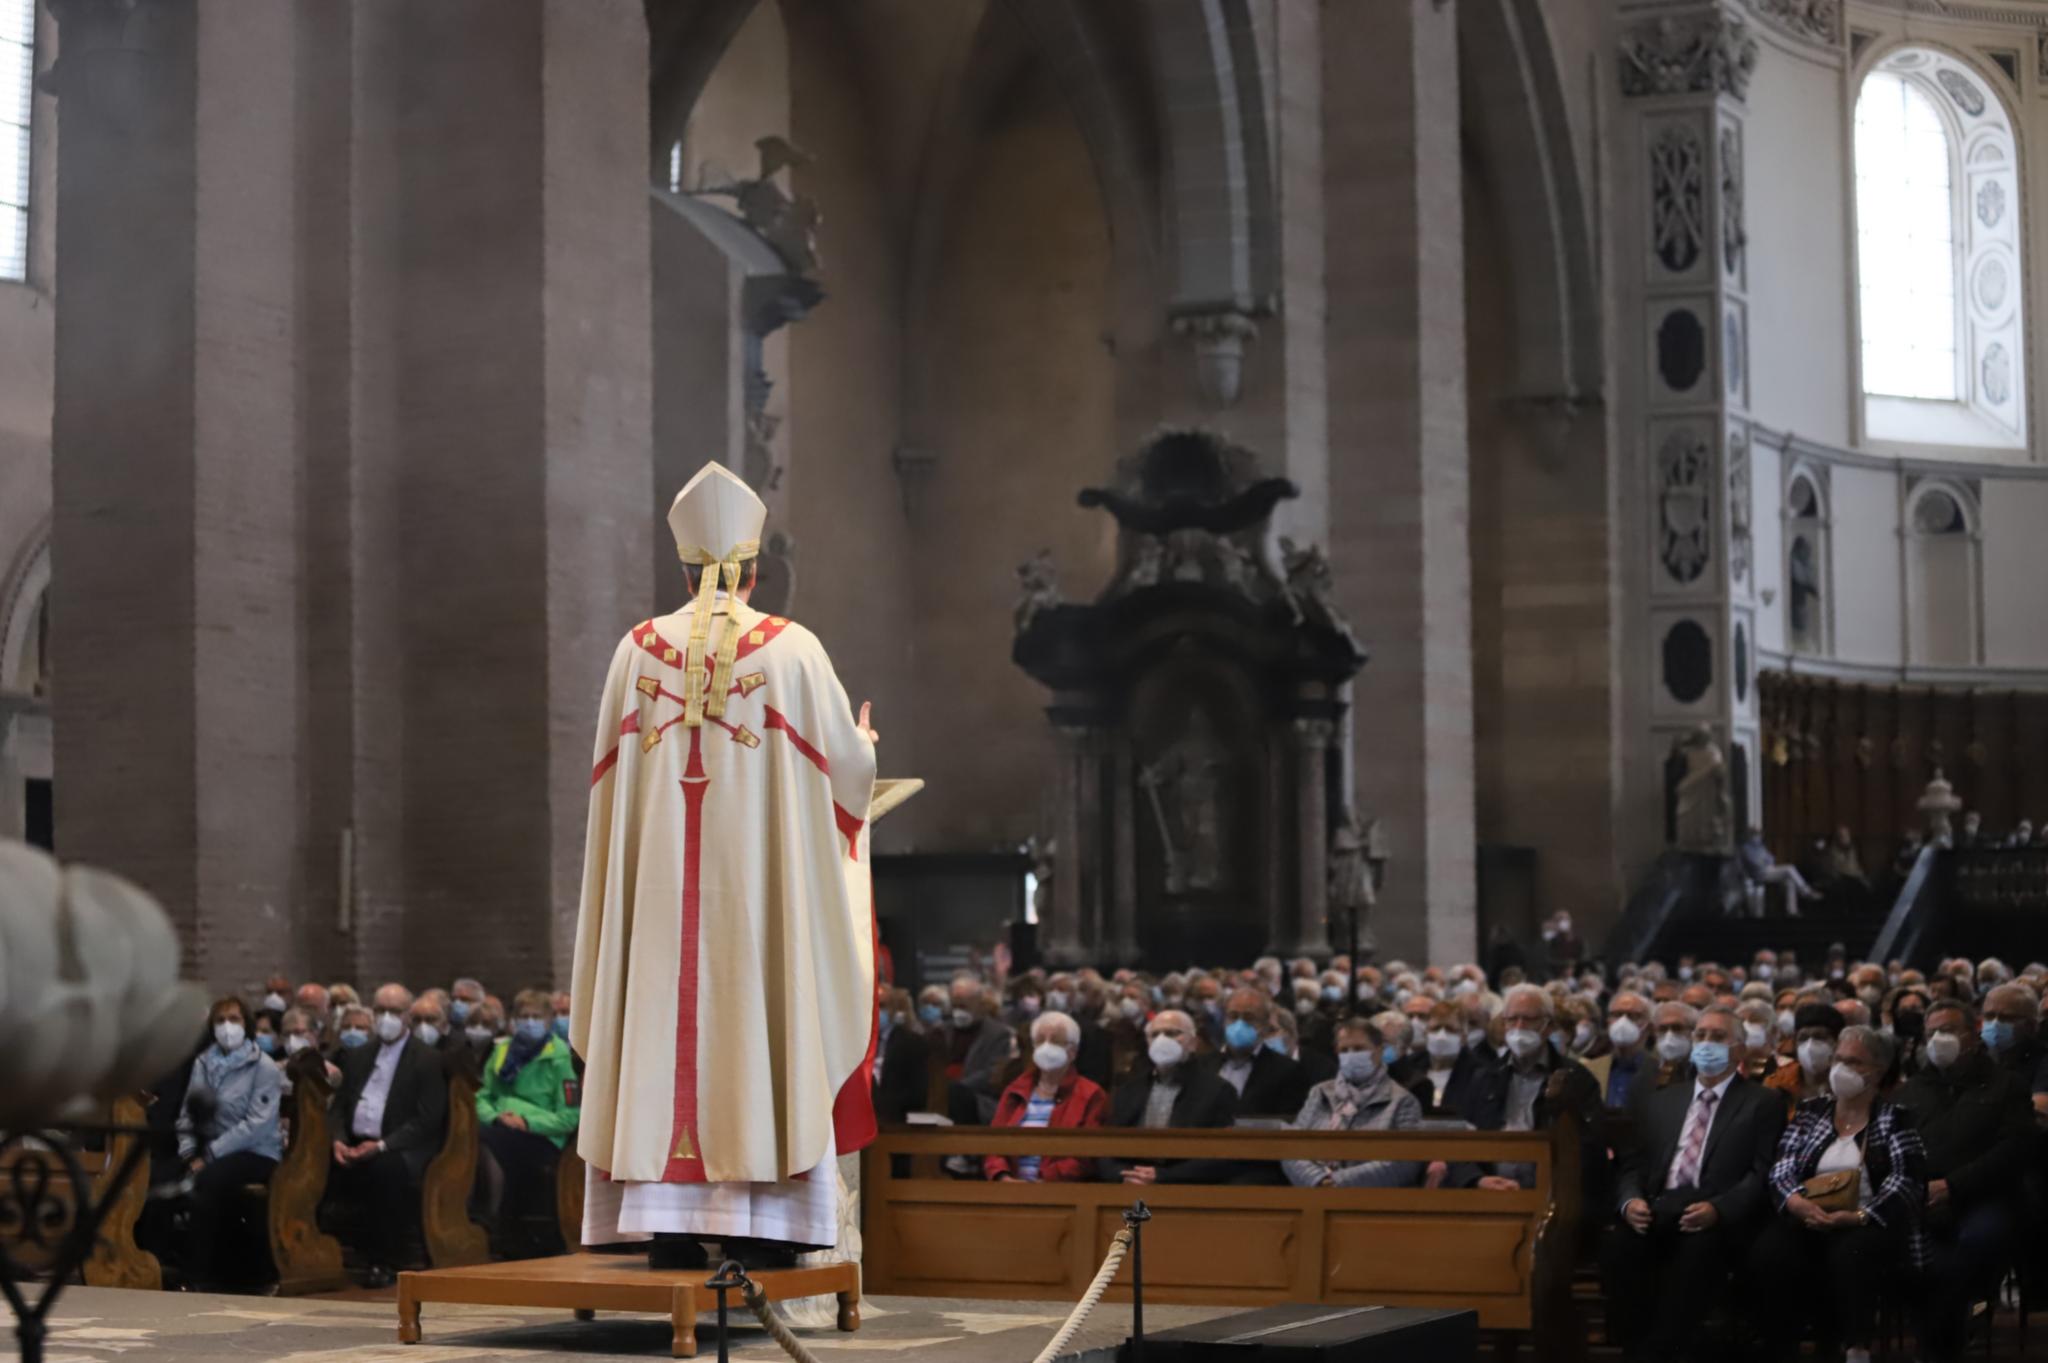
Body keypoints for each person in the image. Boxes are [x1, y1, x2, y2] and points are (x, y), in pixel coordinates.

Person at [570, 462, 882, 1272]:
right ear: (751, 568)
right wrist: (866, 748)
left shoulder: (634, 652)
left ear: (683, 566)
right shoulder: (795, 650)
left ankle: (667, 1224)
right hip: (755, 907)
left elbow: (607, 808)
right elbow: (848, 779)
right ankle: (761, 1224)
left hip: (659, 908)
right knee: (760, 1012)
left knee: (660, 1009)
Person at [1602, 1006, 1785, 1363]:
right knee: (1617, 1248)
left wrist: (1718, 1209)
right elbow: (1634, 1164)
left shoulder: (1762, 1102)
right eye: (1700, 1036)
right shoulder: (1662, 1101)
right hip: (1658, 1207)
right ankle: (1636, 1348)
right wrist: (1630, 1202)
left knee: (1696, 1259)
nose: (1705, 1044)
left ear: (1739, 1050)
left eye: (1717, 1037)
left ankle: (1659, 1353)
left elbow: (1762, 1173)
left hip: (1713, 1214)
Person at [1748, 1025, 1926, 1363]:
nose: (1842, 1069)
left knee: (1851, 1254)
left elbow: (1906, 1181)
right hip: (1808, 1215)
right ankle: (1780, 1347)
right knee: (1769, 1253)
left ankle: (1854, 1348)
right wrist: (1795, 1202)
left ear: (1877, 1071)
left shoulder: (1896, 1119)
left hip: (1868, 1221)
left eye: (1854, 1062)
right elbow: (1782, 1166)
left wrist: (1860, 1216)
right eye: (1839, 1060)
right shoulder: (1811, 1112)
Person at [1896, 999, 2034, 1363]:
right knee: (1909, 1252)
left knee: (1974, 1244)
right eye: (1931, 1033)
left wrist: (1953, 1185)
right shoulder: (1911, 1091)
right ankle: (1940, 1343)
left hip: (1983, 1198)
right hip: (1923, 1199)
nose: (1939, 1039)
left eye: (1948, 1030)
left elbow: (2014, 1149)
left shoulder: (2006, 1085)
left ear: (1973, 1034)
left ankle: (1945, 1342)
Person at [325, 983, 450, 1287]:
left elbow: (428, 1120)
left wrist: (381, 1145)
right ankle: (317, 1257)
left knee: (383, 1171)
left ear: (407, 1016)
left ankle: (385, 1260)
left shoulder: (427, 1059)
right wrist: (338, 1140)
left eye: (394, 1012)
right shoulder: (358, 1056)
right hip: (357, 1143)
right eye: (380, 1011)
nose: (386, 1018)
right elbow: (339, 1108)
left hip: (402, 1147)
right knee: (313, 1165)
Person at [176, 995, 285, 1291]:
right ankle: (196, 1266)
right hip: (209, 1150)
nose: (227, 1027)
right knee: (164, 1174)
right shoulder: (204, 1062)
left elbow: (257, 1124)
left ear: (246, 1025)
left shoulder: (263, 1066)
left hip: (256, 1151)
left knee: (209, 1181)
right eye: (220, 1020)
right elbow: (189, 1111)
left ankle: (198, 1275)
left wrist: (209, 1154)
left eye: (234, 1020)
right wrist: (188, 1151)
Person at [1452, 985, 1603, 1195]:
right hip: (1489, 1192)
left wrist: (1554, 1186)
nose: (1519, 1027)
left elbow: (1589, 1147)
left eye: (1528, 1019)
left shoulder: (1575, 1079)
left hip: (1551, 1194)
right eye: (1512, 1020)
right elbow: (1461, 1142)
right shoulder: (1484, 1077)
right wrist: (1477, 1179)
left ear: (1548, 1026)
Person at [474, 989, 581, 1257]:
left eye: (536, 1016)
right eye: (523, 1016)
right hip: (501, 1126)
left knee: (490, 1142)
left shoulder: (560, 1059)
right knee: (482, 1137)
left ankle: (493, 1219)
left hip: (543, 1137)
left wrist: (526, 1121)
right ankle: (497, 1223)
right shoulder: (501, 1052)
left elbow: (568, 1116)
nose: (529, 1022)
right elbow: (483, 1097)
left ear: (547, 1021)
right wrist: (496, 1115)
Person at [1097, 1010, 1237, 1186]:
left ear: (1193, 1043)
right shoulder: (1129, 1090)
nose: (1161, 1040)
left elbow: (1220, 1156)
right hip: (1130, 1184)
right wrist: (1122, 1175)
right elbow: (1107, 1148)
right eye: (1154, 1034)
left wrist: (1163, 1176)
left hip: (1186, 1188)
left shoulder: (1218, 1091)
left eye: (1172, 1033)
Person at [1282, 1019, 1423, 1189]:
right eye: (1344, 1050)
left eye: (1359, 1049)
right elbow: (1292, 1146)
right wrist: (1317, 1180)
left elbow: (1406, 1161)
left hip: (1368, 1201)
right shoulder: (1320, 1093)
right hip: (1314, 1196)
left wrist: (1338, 1182)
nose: (1351, 1055)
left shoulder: (1402, 1101)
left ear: (1379, 1051)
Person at [983, 1012, 1106, 1183]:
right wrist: (1003, 1176)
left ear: (1073, 1051)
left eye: (1056, 1041)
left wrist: (1041, 1182)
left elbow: (1085, 1158)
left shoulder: (1090, 1094)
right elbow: (994, 1145)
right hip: (1010, 1190)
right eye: (1040, 1041)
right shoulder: (1016, 1090)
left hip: (1059, 1193)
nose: (1046, 1047)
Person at [1201, 986, 1310, 1119]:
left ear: (1264, 1025)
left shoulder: (1287, 1071)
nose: (1239, 1024)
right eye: (1233, 1016)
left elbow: (1288, 1123)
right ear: (1224, 1021)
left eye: (1249, 1018)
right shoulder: (1203, 1066)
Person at [1765, 1003, 1842, 1111]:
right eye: (1803, 1038)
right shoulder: (1777, 1084)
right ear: (1795, 1043)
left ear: (1838, 1042)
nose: (1810, 1045)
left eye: (1819, 1037)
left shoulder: (1847, 1085)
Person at [871, 986, 930, 1125]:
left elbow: (917, 1094)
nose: (876, 1011)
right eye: (872, 1005)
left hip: (896, 1120)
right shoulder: (857, 1042)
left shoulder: (912, 1042)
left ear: (894, 1009)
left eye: (882, 1006)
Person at [1738, 826, 1821, 915]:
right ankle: (1806, 891)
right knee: (1789, 868)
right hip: (1759, 874)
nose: (1758, 836)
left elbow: (1771, 858)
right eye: (1755, 834)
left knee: (1790, 881)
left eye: (1759, 834)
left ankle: (1792, 911)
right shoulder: (1746, 848)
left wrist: (1765, 861)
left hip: (1768, 869)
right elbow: (1754, 863)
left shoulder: (1760, 847)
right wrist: (1764, 861)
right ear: (1750, 835)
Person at [1602, 991, 1654, 1110]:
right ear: (1608, 1021)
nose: (1623, 1021)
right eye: (1617, 1014)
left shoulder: (1660, 1070)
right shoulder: (1593, 1069)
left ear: (1649, 1026)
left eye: (1633, 1016)